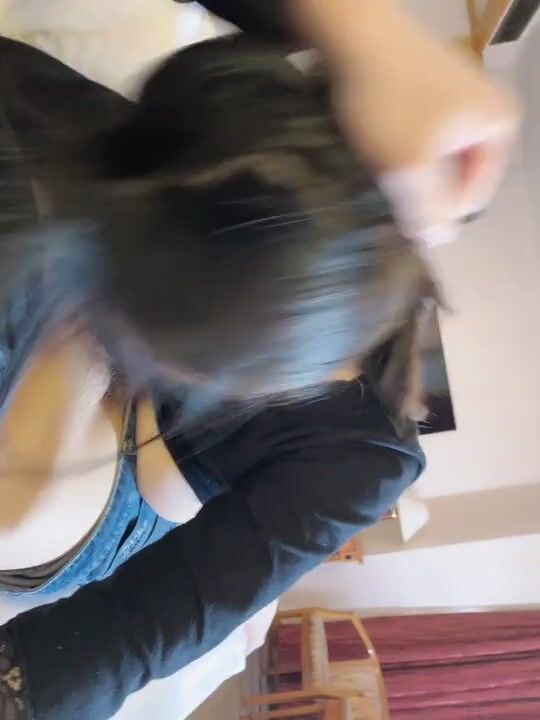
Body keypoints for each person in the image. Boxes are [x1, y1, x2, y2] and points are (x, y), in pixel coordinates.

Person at [0, 2, 519, 720]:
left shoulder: (365, 455)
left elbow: (138, 631)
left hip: (121, 481)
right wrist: (367, 36)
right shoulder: (116, 179)